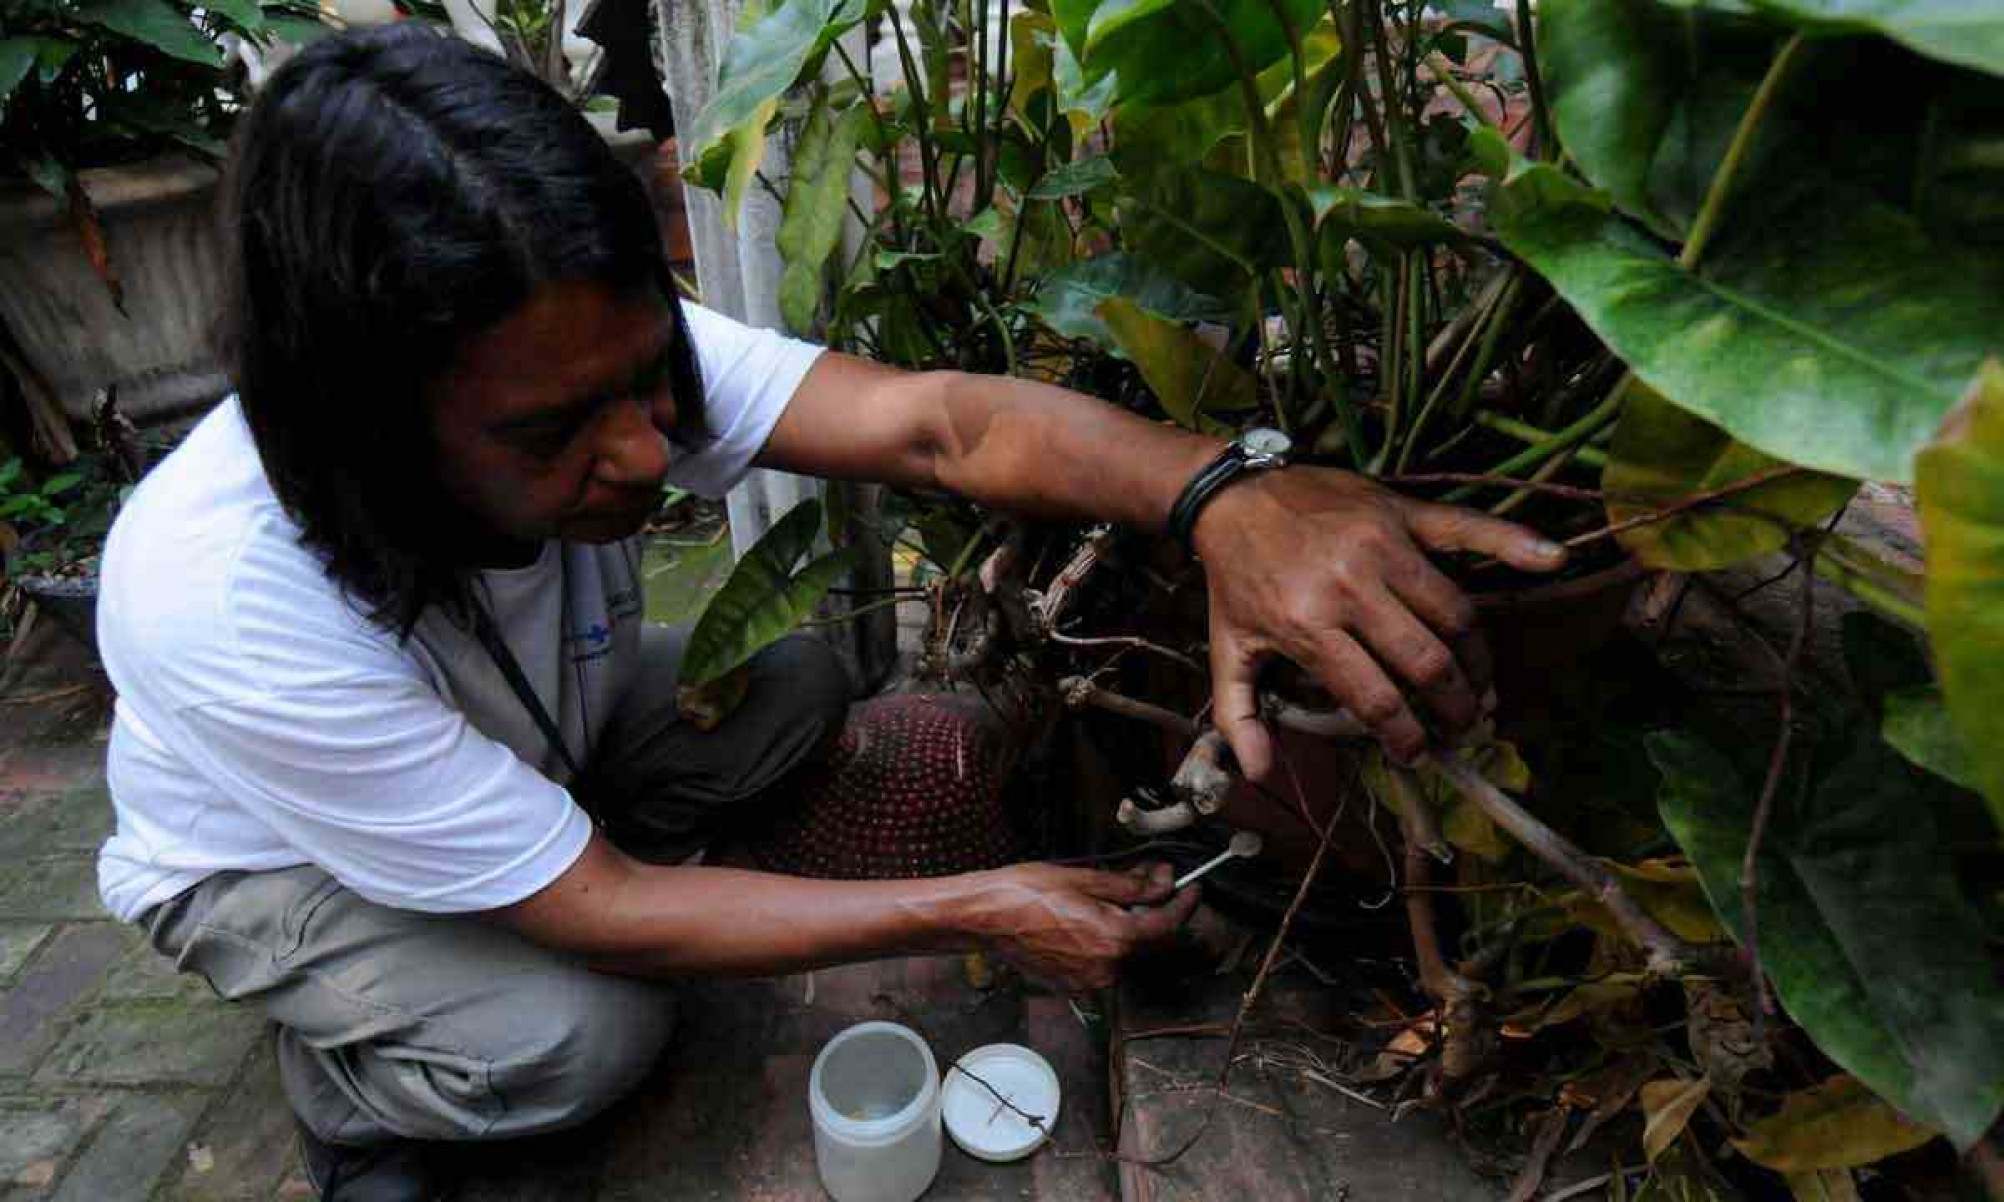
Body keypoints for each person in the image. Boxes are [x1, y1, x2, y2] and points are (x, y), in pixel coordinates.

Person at [93, 23, 1565, 1200]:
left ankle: (538, 829)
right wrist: (970, 902)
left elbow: (937, 425)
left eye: (649, 378)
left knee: (790, 688)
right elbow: (603, 911)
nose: (647, 452)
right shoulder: (220, 599)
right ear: (373, 433)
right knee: (583, 1030)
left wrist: (1230, 495)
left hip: (527, 727)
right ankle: (358, 1067)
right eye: (557, 437)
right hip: (279, 857)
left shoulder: (562, 339)